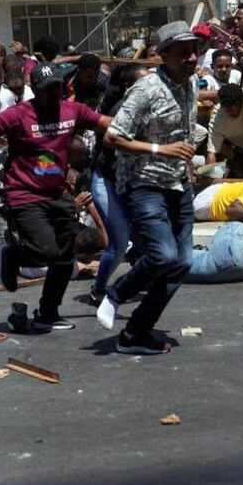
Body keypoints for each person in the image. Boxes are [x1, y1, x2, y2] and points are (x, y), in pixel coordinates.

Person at [0, 63, 110, 332]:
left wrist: (140, 131)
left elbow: (106, 124)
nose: (52, 94)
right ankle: (13, 255)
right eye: (46, 90)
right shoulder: (19, 115)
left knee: (65, 258)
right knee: (46, 251)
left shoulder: (71, 110)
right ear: (36, 92)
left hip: (57, 193)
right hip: (24, 193)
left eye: (57, 88)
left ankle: (48, 313)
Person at [102, 21, 200, 355]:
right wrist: (162, 151)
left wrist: (186, 163)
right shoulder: (145, 90)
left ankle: (135, 333)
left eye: (194, 51)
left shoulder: (192, 85)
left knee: (183, 262)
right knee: (164, 254)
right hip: (143, 183)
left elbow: (181, 135)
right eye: (183, 52)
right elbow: (113, 136)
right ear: (163, 55)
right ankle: (116, 293)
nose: (191, 58)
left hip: (177, 184)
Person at [86, 64, 149, 306]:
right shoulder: (123, 111)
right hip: (107, 182)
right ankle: (98, 290)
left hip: (130, 182)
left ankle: (138, 272)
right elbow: (117, 145)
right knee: (119, 241)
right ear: (129, 87)